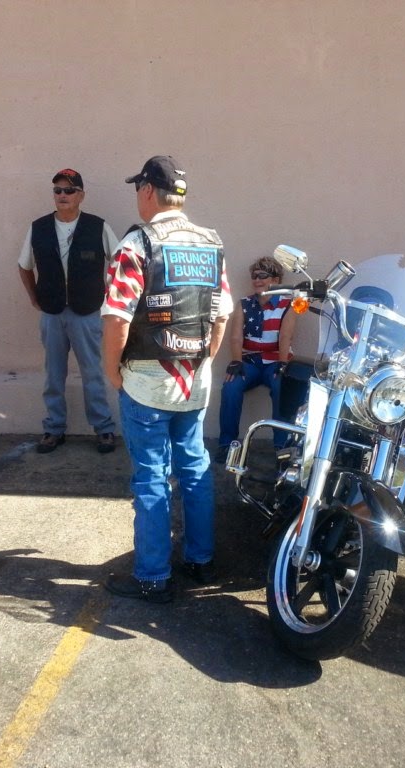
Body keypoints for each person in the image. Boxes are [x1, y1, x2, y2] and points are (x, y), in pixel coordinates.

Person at [101, 156, 231, 603]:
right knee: (194, 470)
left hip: (146, 382)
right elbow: (221, 316)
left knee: (151, 478)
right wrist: (203, 361)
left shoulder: (135, 244)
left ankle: (152, 577)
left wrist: (111, 371)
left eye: (138, 189)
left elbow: (117, 319)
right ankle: (201, 561)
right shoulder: (210, 243)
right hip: (193, 382)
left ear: (147, 191)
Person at [18, 168, 119, 454]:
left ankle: (104, 428)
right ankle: (53, 429)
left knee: (92, 373)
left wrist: (109, 295)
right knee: (53, 374)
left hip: (87, 311)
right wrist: (34, 298)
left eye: (69, 190)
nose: (62, 195)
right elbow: (24, 265)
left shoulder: (97, 226)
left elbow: (119, 261)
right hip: (51, 312)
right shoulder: (38, 227)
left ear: (81, 195)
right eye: (58, 190)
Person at [216, 257, 297, 462]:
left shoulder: (288, 304)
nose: (257, 280)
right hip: (250, 361)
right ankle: (227, 445)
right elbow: (236, 337)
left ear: (275, 280)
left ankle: (282, 448)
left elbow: (285, 337)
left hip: (276, 361)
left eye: (263, 276)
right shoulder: (244, 304)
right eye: (254, 276)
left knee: (282, 388)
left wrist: (282, 364)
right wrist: (236, 361)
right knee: (231, 386)